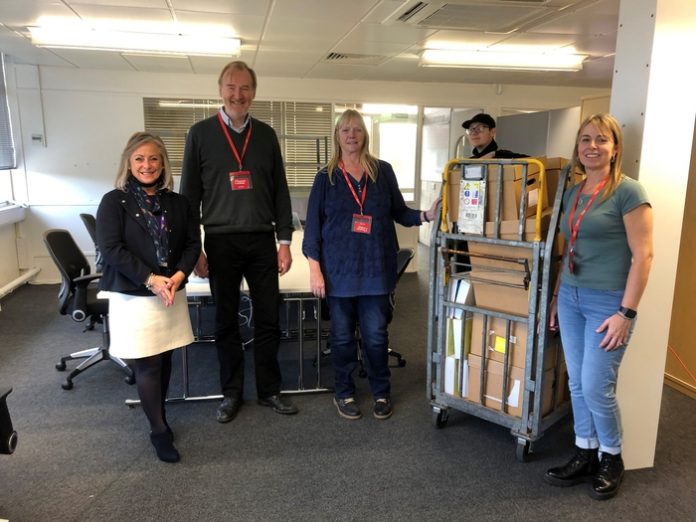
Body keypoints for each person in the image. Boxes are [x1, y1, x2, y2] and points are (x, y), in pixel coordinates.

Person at [180, 60, 298, 423]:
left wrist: (284, 241)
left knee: (268, 319)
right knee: (226, 322)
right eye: (231, 87)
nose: (237, 94)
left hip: (262, 240)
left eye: (245, 88)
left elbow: (280, 191)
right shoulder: (199, 134)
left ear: (254, 93)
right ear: (220, 90)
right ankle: (231, 393)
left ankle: (269, 390)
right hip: (220, 242)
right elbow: (188, 198)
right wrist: (194, 248)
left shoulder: (266, 135)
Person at [303, 109, 440, 421]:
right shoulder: (326, 177)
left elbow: (399, 211)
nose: (351, 135)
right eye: (345, 130)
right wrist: (315, 269)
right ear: (337, 136)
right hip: (339, 272)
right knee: (341, 338)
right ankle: (344, 392)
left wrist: (426, 215)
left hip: (376, 270)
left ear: (365, 135)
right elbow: (313, 228)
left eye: (357, 129)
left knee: (376, 336)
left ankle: (381, 391)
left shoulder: (382, 171)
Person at [545, 114, 653, 500]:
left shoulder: (628, 192)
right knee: (576, 382)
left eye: (601, 140)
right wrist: (556, 297)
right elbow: (569, 249)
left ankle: (612, 456)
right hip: (571, 297)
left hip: (608, 302)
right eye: (585, 139)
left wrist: (626, 313)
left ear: (615, 148)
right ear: (577, 147)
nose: (592, 146)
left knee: (595, 385)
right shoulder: (573, 192)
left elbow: (644, 256)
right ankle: (585, 450)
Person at [96, 132, 201, 463]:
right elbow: (111, 249)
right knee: (148, 362)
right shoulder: (113, 202)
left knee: (165, 356)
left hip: (170, 290)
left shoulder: (179, 203)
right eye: (139, 158)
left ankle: (160, 412)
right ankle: (159, 430)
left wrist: (178, 276)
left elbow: (192, 244)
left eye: (154, 158)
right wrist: (151, 279)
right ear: (129, 163)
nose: (147, 165)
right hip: (135, 294)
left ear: (163, 163)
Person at [462, 113, 528, 159]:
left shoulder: (503, 157)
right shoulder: (470, 161)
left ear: (492, 132)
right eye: (470, 129)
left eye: (479, 128)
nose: (473, 133)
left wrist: (494, 154)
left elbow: (532, 160)